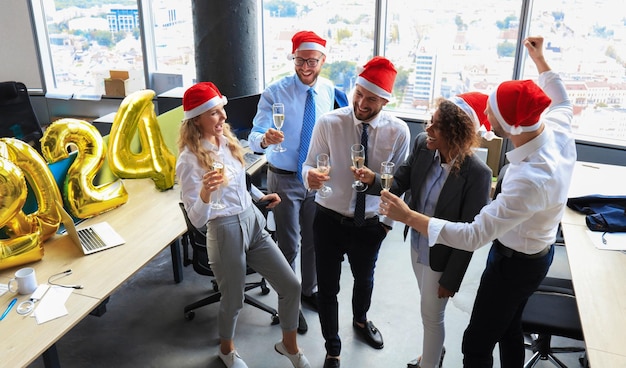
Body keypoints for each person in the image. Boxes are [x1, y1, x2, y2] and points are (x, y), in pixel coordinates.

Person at [380, 36, 576, 368]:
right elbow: (559, 95)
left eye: (492, 111)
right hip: (519, 250)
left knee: (475, 344)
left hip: (517, 263)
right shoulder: (556, 125)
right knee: (511, 327)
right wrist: (540, 59)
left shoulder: (531, 180)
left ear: (511, 127)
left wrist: (410, 217)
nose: (485, 112)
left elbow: (472, 236)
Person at [177, 82, 311, 368]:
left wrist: (260, 196)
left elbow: (240, 182)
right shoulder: (189, 160)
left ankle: (288, 345)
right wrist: (205, 193)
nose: (223, 117)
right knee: (234, 299)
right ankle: (227, 350)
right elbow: (198, 219)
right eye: (214, 113)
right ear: (197, 119)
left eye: (221, 110)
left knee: (290, 285)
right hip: (223, 230)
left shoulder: (225, 141)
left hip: (252, 221)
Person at [362, 93, 493, 368]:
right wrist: (372, 179)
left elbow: (469, 235)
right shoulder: (423, 145)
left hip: (443, 256)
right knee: (428, 309)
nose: (427, 130)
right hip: (417, 244)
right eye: (429, 123)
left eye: (436, 127)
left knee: (432, 316)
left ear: (455, 134)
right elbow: (399, 181)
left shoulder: (477, 174)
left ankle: (429, 363)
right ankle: (434, 351)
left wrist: (451, 279)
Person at [302, 56, 411, 368]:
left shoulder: (399, 132)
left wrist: (387, 224)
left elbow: (399, 183)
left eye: (372, 98)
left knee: (365, 279)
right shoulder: (329, 123)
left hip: (370, 223)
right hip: (327, 218)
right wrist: (308, 177)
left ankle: (361, 321)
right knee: (328, 287)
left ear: (386, 100)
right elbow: (309, 164)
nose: (362, 103)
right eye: (359, 93)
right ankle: (332, 346)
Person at [248, 31, 338, 327]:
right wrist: (265, 139)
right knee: (289, 244)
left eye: (312, 60)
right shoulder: (275, 91)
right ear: (294, 59)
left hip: (315, 179)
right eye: (300, 60)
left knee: (315, 240)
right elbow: (253, 136)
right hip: (284, 177)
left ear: (323, 60)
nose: (305, 66)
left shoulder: (328, 89)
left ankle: (308, 291)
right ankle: (288, 301)